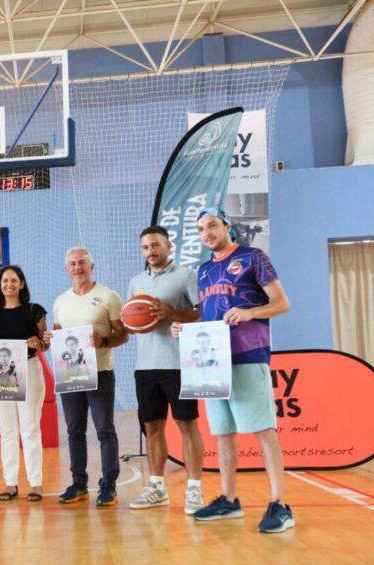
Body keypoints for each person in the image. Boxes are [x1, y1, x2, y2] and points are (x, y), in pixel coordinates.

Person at [172, 208, 294, 533]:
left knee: (263, 431)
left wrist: (250, 312)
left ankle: (280, 504)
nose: (207, 232)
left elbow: (282, 303)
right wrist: (185, 328)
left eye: (212, 225)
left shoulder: (253, 257)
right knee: (222, 433)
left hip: (248, 356)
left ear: (227, 227)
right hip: (211, 364)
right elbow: (210, 317)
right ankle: (229, 499)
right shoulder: (203, 271)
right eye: (201, 229)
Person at [126, 226, 206, 514]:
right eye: (146, 247)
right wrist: (133, 321)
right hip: (145, 367)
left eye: (155, 246)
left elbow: (202, 312)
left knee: (187, 425)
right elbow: (131, 321)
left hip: (179, 364)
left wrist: (171, 313)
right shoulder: (136, 282)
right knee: (152, 428)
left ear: (168, 246)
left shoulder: (186, 275)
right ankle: (157, 488)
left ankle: (194, 489)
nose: (151, 251)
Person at [44, 247, 128, 506]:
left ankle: (108, 485)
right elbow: (58, 335)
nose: (77, 267)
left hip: (100, 374)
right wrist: (50, 338)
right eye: (72, 264)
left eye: (82, 263)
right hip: (71, 376)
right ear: (66, 269)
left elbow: (123, 334)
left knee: (104, 429)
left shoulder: (109, 296)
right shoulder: (60, 302)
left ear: (93, 265)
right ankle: (78, 483)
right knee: (74, 431)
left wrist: (103, 340)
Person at [0, 265, 48, 502]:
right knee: (7, 431)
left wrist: (39, 342)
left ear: (22, 284)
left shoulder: (34, 311)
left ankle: (35, 483)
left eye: (14, 280)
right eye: (5, 281)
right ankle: (10, 483)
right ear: (0, 285)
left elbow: (45, 344)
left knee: (30, 429)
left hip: (30, 369)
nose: (9, 284)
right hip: (1, 376)